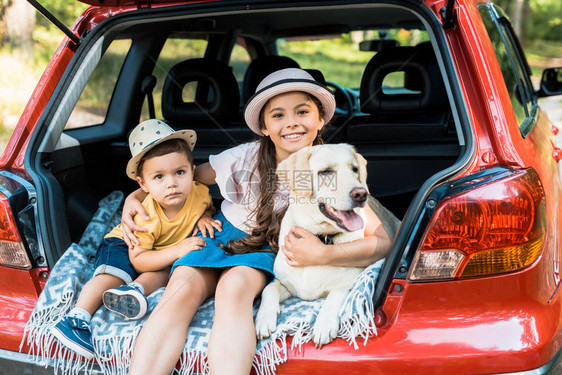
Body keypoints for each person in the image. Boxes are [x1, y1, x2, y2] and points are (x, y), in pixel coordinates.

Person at [121, 68, 392, 375]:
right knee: (178, 291)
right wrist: (135, 198)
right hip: (220, 235)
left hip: (266, 249)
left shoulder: (328, 168)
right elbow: (179, 176)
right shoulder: (244, 157)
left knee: (233, 290)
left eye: (302, 111)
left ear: (321, 120)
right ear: (264, 126)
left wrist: (324, 254)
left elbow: (382, 241)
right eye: (278, 115)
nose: (291, 122)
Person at [50, 119, 216, 359]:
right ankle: (76, 318)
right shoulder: (146, 216)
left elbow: (207, 206)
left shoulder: (199, 192)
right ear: (143, 184)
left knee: (166, 270)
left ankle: (134, 291)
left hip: (160, 249)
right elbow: (139, 260)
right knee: (115, 274)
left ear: (193, 170)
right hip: (126, 244)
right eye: (159, 177)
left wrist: (205, 216)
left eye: (180, 172)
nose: (172, 183)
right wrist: (178, 249)